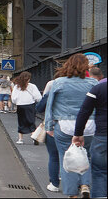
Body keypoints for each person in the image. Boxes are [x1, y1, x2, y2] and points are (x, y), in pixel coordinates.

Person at [43, 53, 97, 198]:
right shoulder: (93, 83)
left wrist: (49, 126)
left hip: (65, 124)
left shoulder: (59, 82)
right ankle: (85, 184)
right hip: (89, 125)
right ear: (86, 66)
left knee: (66, 157)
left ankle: (72, 193)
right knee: (88, 156)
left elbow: (50, 106)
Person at [70, 66, 106, 199]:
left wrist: (78, 133)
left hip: (103, 135)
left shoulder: (99, 88)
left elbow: (84, 112)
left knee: (100, 171)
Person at [11, 70, 42, 145]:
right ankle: (34, 137)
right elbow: (38, 97)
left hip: (20, 106)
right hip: (30, 105)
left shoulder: (17, 86)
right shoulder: (32, 86)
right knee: (31, 121)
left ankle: (20, 139)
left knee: (21, 122)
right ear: (28, 79)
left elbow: (13, 98)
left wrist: (16, 102)